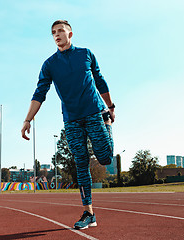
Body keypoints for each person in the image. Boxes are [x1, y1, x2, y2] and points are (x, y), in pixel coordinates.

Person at [21, 20, 115, 230]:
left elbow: (100, 80)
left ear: (70, 34)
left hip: (94, 112)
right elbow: (39, 94)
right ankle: (88, 212)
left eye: (60, 31)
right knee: (80, 164)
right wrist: (27, 120)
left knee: (105, 157)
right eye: (53, 32)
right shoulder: (49, 65)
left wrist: (110, 106)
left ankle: (107, 123)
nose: (56, 35)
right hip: (71, 120)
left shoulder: (86, 54)